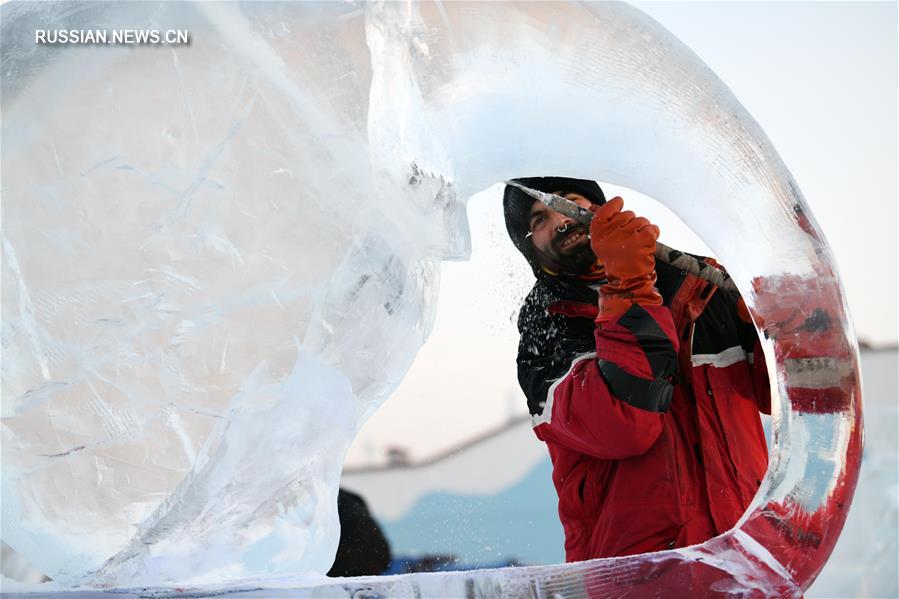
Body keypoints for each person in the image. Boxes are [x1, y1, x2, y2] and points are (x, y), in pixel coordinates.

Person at [503, 176, 770, 561]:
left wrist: (777, 327)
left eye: (567, 201)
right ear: (532, 252)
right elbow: (626, 425)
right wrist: (629, 283)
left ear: (600, 206)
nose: (559, 221)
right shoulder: (545, 330)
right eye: (538, 221)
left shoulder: (703, 285)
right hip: (637, 577)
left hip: (745, 563)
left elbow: (783, 395)